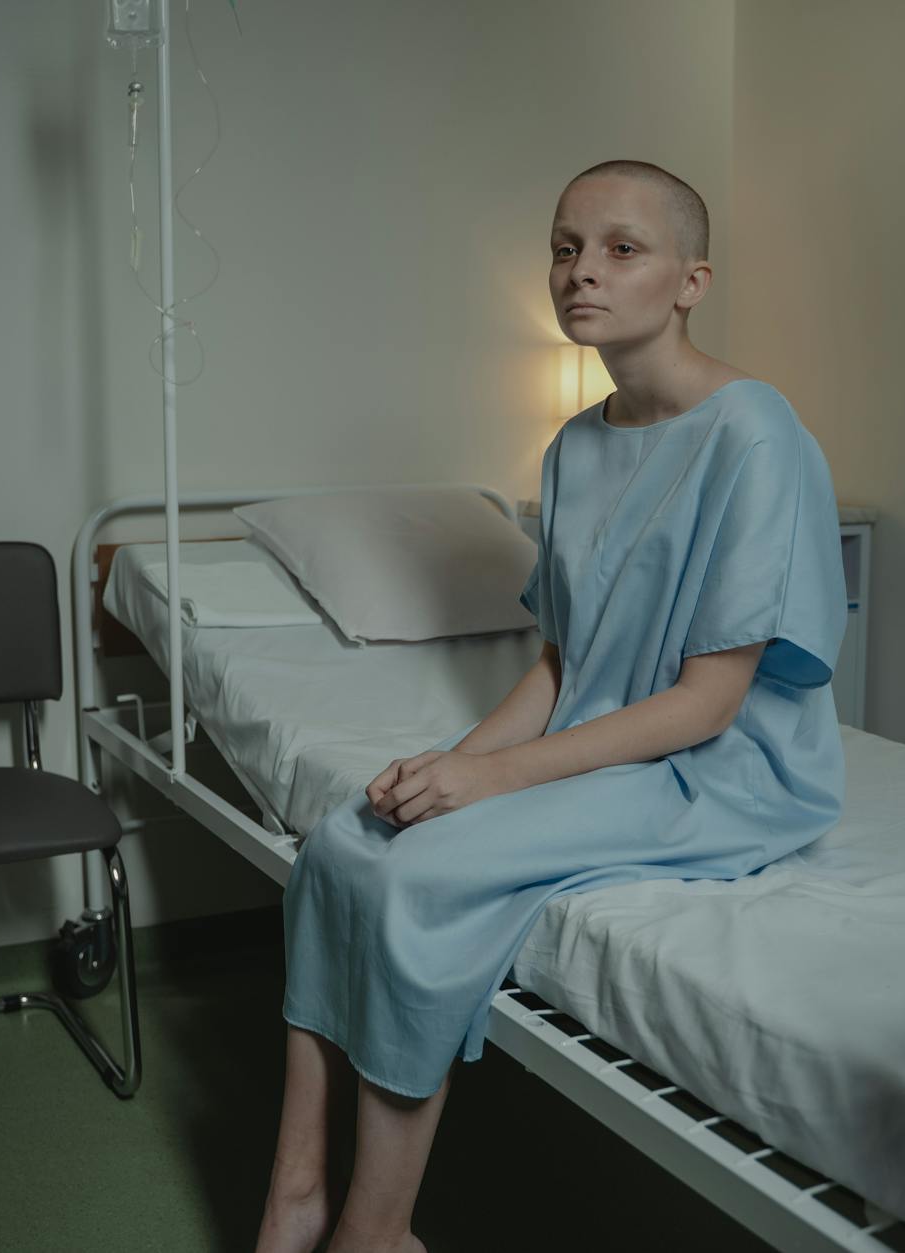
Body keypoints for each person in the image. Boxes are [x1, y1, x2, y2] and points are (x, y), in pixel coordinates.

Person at [256, 159, 847, 1253]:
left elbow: (707, 703)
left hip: (716, 766)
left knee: (422, 877)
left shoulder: (753, 434)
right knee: (343, 840)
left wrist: (486, 785)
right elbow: (564, 668)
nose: (582, 271)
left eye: (621, 248)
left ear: (689, 279)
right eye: (565, 247)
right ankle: (293, 1189)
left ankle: (374, 1228)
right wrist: (444, 764)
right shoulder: (574, 445)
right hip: (604, 743)